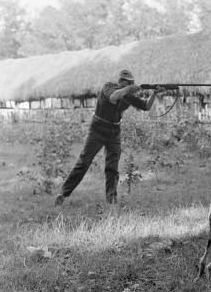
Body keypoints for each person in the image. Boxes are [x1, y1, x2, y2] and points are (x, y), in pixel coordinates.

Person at [55, 69, 164, 206]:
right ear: (121, 81)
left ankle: (111, 200)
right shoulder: (109, 87)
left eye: (132, 82)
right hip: (98, 130)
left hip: (114, 132)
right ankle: (63, 194)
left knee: (112, 168)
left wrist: (155, 93)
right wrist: (130, 88)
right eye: (128, 82)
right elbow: (113, 97)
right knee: (83, 163)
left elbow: (146, 106)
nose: (130, 84)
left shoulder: (128, 95)